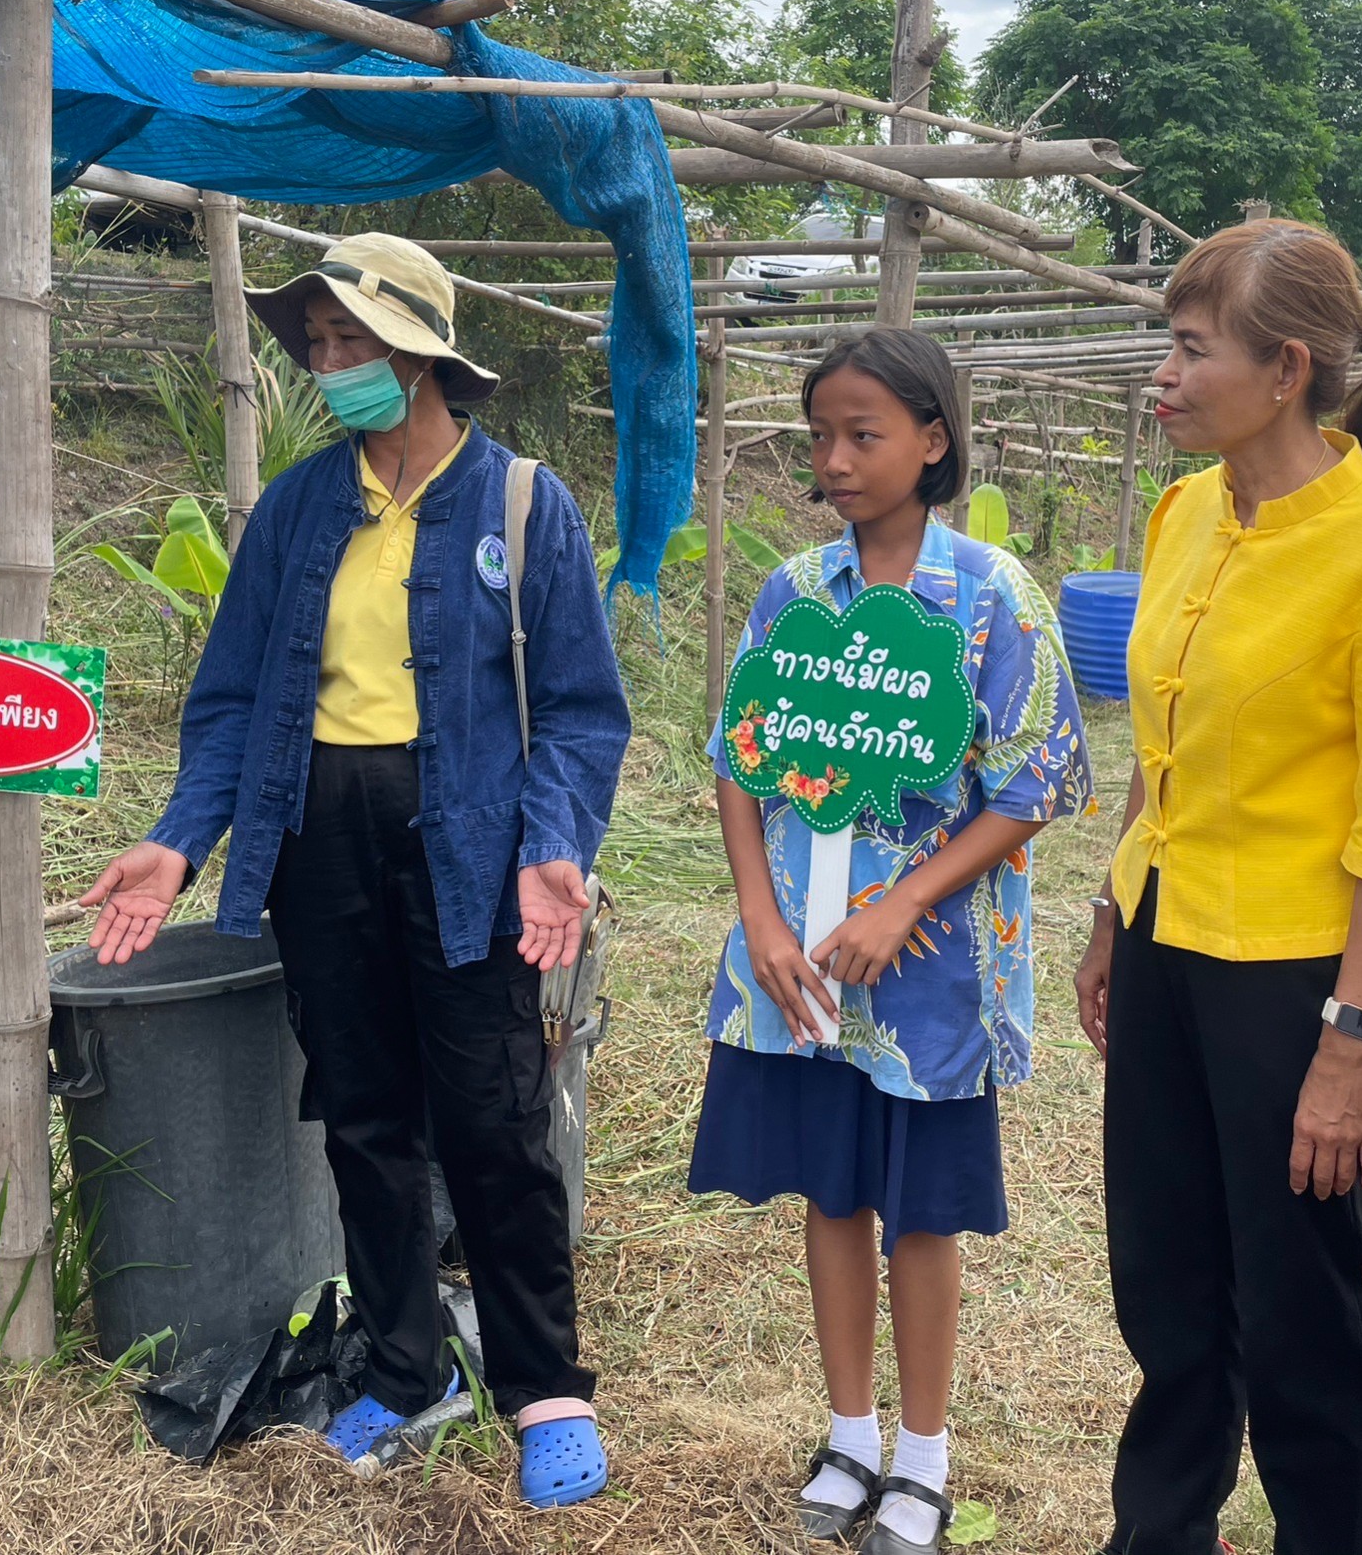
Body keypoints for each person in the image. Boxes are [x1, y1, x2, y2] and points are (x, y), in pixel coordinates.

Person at [81, 234, 630, 1509]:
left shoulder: (522, 504)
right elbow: (231, 699)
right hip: (317, 839)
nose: (332, 368)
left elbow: (582, 708)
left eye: (353, 345)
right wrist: (179, 839)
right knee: (366, 1114)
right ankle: (404, 1367)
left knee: (492, 1116)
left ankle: (546, 1388)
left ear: (425, 351)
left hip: (469, 842)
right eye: (319, 347)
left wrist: (554, 847)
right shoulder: (298, 507)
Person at [1072, 220, 1362, 1555]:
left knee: (1303, 1319)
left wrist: (1348, 1043)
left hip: (1292, 979)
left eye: (1192, 350)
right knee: (1167, 1284)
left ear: (1288, 367)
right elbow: (1162, 740)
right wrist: (1105, 916)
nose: (1166, 374)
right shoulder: (1188, 511)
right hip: (1163, 940)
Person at [688, 329, 1094, 1555]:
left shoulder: (992, 598)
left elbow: (1037, 784)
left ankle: (923, 1457)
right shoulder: (793, 593)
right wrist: (760, 916)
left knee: (920, 1212)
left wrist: (908, 898)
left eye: (863, 434)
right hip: (801, 966)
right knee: (831, 1191)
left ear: (934, 439)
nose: (836, 459)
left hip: (931, 980)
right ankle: (849, 1433)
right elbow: (740, 766)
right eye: (820, 436)